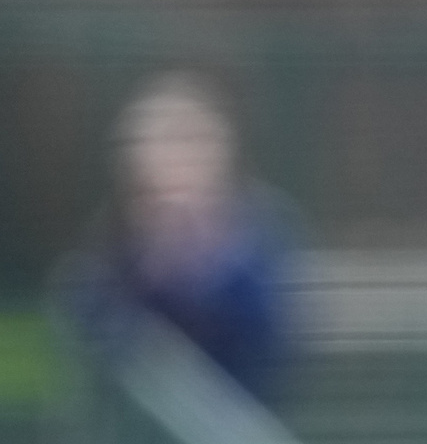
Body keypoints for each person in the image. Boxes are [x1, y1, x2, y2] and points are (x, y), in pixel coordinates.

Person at [68, 72, 295, 402]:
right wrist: (153, 270)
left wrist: (199, 268)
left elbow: (267, 346)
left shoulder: (259, 238)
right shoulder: (112, 251)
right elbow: (95, 343)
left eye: (184, 143)